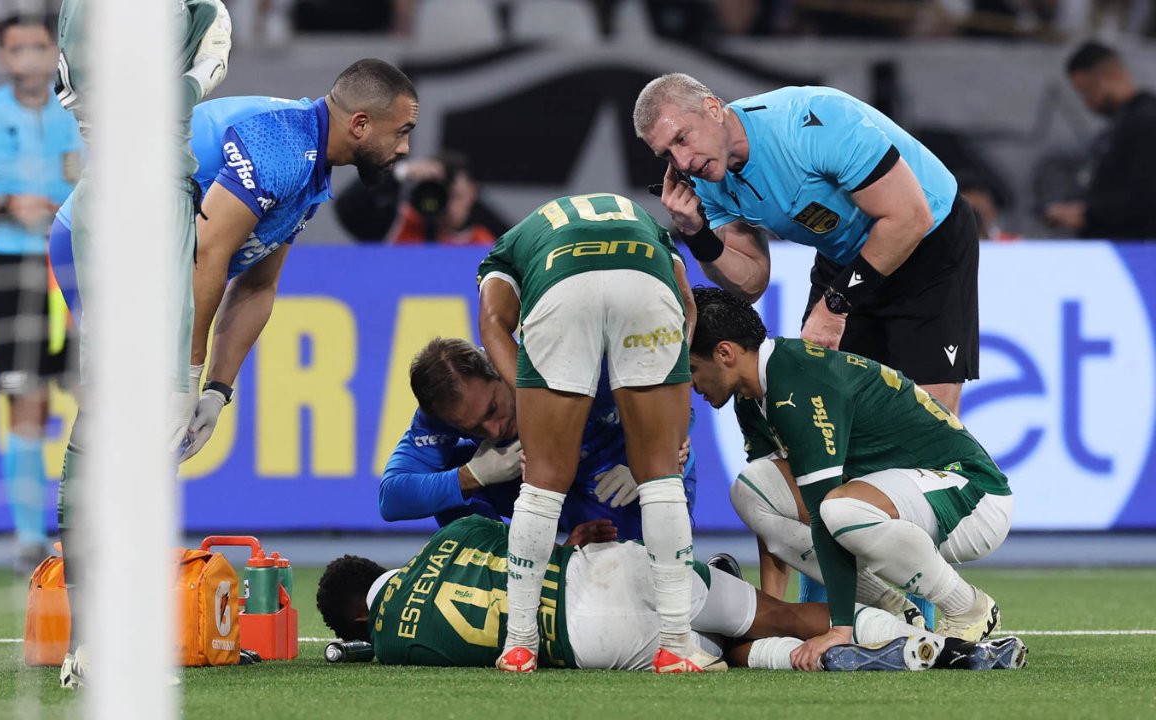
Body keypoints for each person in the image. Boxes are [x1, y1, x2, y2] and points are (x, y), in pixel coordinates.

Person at [52, 60, 419, 463]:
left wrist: (216, 391)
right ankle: (87, 520)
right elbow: (206, 253)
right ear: (361, 124)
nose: (403, 148)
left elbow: (257, 285)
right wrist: (185, 377)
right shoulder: (284, 146)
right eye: (401, 132)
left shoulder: (309, 165)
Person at [50, 0, 233, 690]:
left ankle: (94, 634)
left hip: (101, 204)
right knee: (144, 422)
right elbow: (204, 46)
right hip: (143, 204)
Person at [686, 286, 1014, 671]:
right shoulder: (753, 395)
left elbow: (824, 517)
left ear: (725, 353)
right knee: (751, 490)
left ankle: (966, 606)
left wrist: (840, 629)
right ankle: (891, 607)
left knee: (837, 511)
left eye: (691, 368)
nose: (691, 385)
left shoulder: (798, 387)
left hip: (973, 496)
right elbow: (778, 518)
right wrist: (767, 615)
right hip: (899, 496)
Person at [634, 74, 979, 415]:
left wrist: (834, 305)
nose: (682, 162)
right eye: (666, 155)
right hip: (846, 255)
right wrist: (696, 233)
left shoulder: (810, 123)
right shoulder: (706, 176)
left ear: (712, 108)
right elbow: (751, 282)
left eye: (682, 138)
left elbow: (910, 218)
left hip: (928, 246)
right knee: (826, 409)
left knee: (929, 419)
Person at [315, 514, 1027, 671]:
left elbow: (372, 643)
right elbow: (535, 539)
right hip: (606, 570)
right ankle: (897, 627)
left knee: (734, 656)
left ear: (355, 617)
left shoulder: (393, 645)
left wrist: (355, 648)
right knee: (765, 610)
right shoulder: (452, 539)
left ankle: (863, 659)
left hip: (587, 642)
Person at [478, 193, 705, 673]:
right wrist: (668, 371)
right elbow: (686, 304)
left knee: (541, 486)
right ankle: (676, 646)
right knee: (661, 478)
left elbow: (495, 324)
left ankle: (520, 644)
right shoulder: (648, 225)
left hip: (563, 288)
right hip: (647, 283)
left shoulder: (507, 249)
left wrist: (527, 390)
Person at [0, 14, 82, 571]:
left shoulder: (82, 111)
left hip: (79, 266)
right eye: (17, 48)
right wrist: (6, 205)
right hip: (13, 271)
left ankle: (95, 527)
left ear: (55, 49)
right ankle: (31, 540)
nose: (28, 57)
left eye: (38, 46)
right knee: (25, 403)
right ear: (3, 57)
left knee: (98, 399)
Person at [380, 337, 697, 539]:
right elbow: (392, 499)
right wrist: (469, 476)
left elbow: (677, 404)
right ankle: (499, 572)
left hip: (618, 487)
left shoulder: (568, 366)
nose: (493, 431)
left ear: (500, 368)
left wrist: (651, 460)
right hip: (548, 489)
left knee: (627, 587)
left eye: (493, 408)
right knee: (449, 472)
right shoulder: (440, 415)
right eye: (474, 428)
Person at [1043, 41, 1156, 240]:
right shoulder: (1122, 122)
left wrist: (1088, 216)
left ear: (1107, 77)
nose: (1087, 103)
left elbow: (1145, 198)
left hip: (1134, 258)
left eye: (1086, 92)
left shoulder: (1147, 121)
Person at [334, 151, 508, 245]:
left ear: (472, 193)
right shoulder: (401, 225)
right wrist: (399, 172)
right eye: (443, 195)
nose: (448, 206)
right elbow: (348, 208)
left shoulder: (489, 245)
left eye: (456, 196)